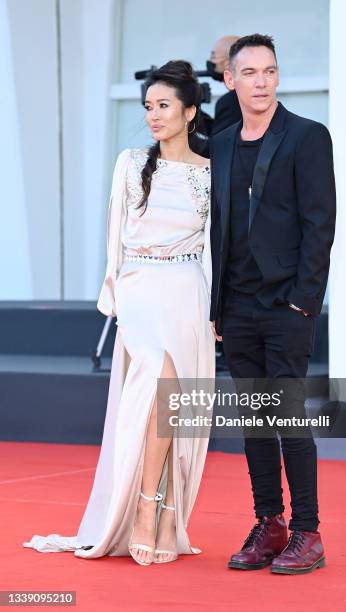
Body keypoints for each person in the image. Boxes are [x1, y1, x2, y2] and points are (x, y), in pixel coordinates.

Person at [23, 60, 215, 566]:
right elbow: (115, 240)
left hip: (187, 292)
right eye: (148, 107)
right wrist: (116, 298)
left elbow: (216, 246)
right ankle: (149, 508)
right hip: (140, 290)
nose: (153, 115)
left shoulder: (212, 171)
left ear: (190, 112)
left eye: (164, 106)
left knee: (176, 402)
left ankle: (170, 512)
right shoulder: (131, 163)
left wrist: (216, 309)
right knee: (162, 382)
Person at [210, 34, 336, 574]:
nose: (262, 82)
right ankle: (270, 523)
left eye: (270, 71)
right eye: (251, 73)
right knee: (254, 421)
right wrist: (217, 306)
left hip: (287, 305)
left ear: (277, 77)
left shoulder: (307, 137)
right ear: (231, 80)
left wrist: (304, 303)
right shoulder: (219, 142)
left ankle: (307, 530)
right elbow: (218, 227)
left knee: (288, 417)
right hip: (236, 307)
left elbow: (320, 224)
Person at [207, 36, 242, 135]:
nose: (211, 61)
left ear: (228, 64)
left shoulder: (231, 102)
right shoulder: (240, 97)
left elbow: (218, 144)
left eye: (213, 57)